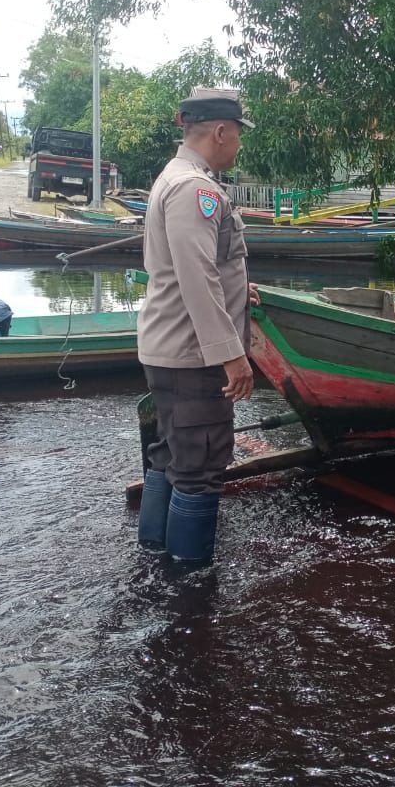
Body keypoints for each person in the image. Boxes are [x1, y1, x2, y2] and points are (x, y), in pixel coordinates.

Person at [135, 87, 260, 563]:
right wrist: (233, 357)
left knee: (170, 457)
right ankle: (189, 585)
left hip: (170, 349)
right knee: (202, 468)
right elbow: (197, 275)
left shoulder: (175, 177)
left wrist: (239, 290)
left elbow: (191, 265)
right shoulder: (197, 189)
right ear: (221, 131)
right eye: (237, 136)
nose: (238, 146)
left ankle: (153, 557)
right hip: (194, 356)